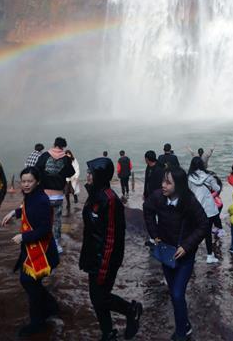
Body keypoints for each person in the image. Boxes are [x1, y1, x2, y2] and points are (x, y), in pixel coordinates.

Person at [80, 157, 143, 341]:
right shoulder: (94, 195)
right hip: (94, 255)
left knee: (100, 297)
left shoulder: (110, 200)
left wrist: (103, 265)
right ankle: (108, 333)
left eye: (90, 174)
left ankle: (131, 310)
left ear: (99, 175)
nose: (87, 177)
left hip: (106, 258)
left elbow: (111, 237)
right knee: (97, 297)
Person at [143, 168, 210, 341]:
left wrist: (187, 246)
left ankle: (181, 334)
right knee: (174, 293)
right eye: (163, 181)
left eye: (168, 182)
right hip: (167, 254)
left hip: (185, 257)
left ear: (178, 185)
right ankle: (185, 325)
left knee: (178, 293)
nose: (162, 185)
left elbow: (203, 225)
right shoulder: (158, 197)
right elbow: (147, 208)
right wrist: (154, 233)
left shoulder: (190, 201)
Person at [1, 167, 59, 337]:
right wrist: (14, 212)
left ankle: (37, 323)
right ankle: (50, 306)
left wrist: (23, 237)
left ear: (37, 182)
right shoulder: (31, 196)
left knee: (29, 282)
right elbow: (27, 209)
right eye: (23, 181)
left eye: (29, 181)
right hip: (32, 250)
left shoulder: (41, 200)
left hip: (43, 250)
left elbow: (45, 229)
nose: (25, 185)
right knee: (30, 282)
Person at [34, 137, 76, 253]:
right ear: (63, 146)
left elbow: (36, 169)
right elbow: (71, 172)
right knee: (57, 220)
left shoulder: (45, 155)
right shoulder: (66, 159)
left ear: (54, 144)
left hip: (45, 195)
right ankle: (56, 244)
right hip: (58, 195)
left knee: (44, 219)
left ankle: (43, 242)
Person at [188, 157, 221, 263]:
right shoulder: (208, 176)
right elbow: (217, 189)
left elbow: (187, 192)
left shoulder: (189, 177)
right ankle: (209, 256)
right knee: (207, 233)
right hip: (208, 208)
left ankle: (190, 255)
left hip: (195, 207)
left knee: (194, 232)